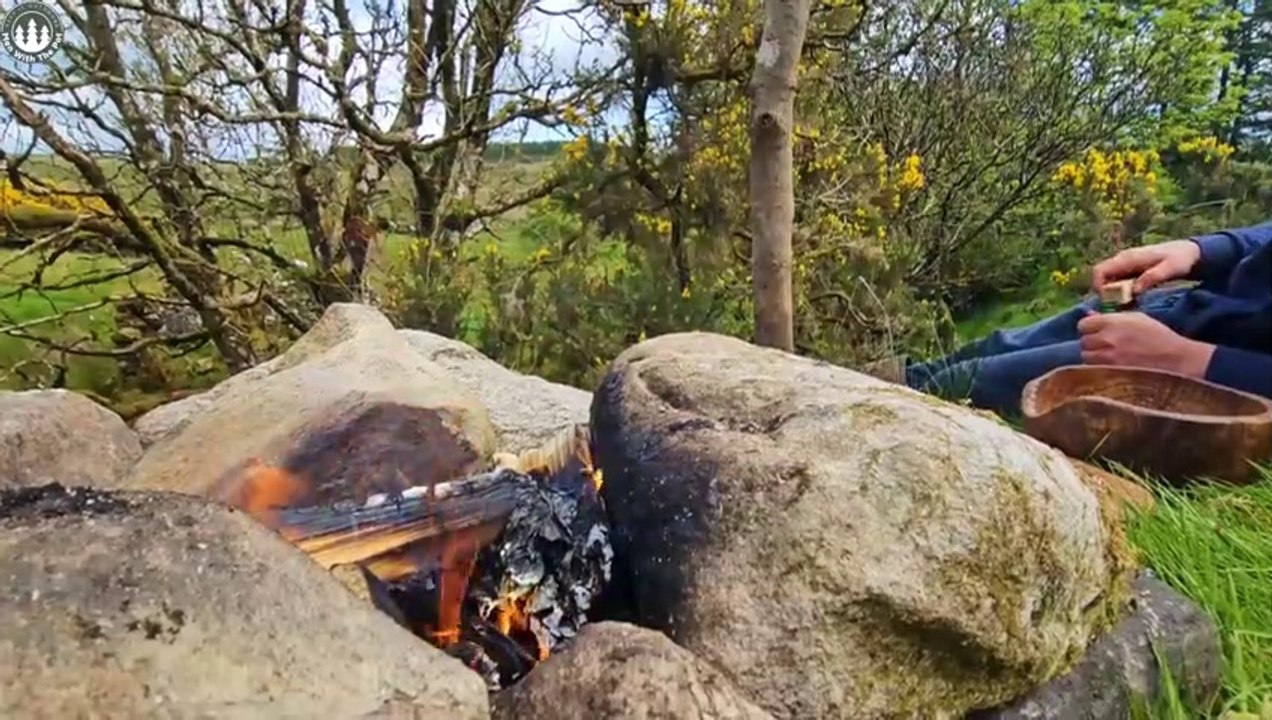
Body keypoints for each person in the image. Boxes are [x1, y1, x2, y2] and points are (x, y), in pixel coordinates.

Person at [869, 221, 1272, 417]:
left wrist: (1187, 360)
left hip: (1213, 374)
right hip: (1193, 303)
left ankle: (878, 411)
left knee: (973, 382)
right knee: (995, 346)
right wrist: (1201, 250)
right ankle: (869, 386)